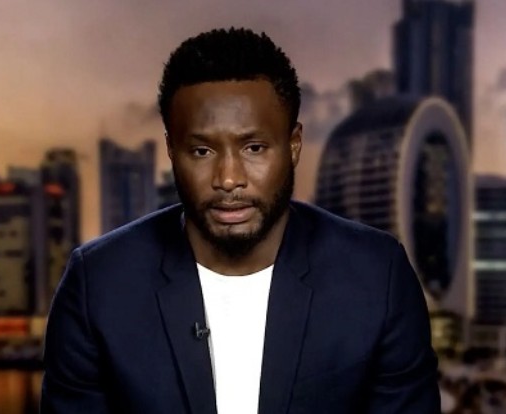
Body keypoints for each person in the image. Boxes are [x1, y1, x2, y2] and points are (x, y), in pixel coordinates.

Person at [40, 27, 441, 413]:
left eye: (254, 148)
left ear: (294, 145)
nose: (228, 178)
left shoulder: (377, 276)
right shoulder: (98, 284)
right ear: (172, 151)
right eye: (201, 151)